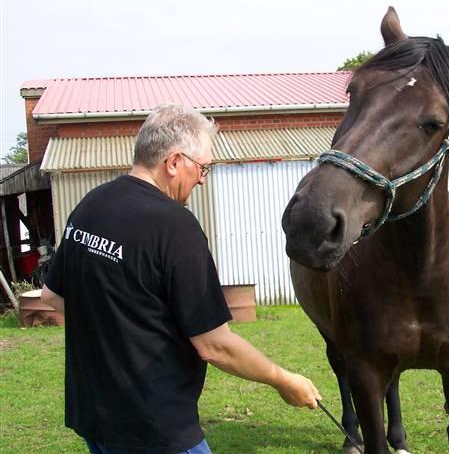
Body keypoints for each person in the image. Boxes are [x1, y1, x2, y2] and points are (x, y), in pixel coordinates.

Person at [41, 103, 321, 453]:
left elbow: (52, 297)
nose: (203, 178)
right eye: (202, 167)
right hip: (155, 426)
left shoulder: (90, 205)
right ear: (174, 162)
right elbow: (214, 344)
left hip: (95, 418)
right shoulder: (176, 227)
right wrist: (283, 380)